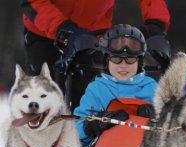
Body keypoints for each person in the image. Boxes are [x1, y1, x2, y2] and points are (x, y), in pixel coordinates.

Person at [19, 0, 170, 111]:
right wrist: (62, 28)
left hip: (93, 31)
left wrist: (155, 21)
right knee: (42, 98)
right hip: (44, 31)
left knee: (91, 99)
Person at [74, 24, 157, 147]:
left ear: (139, 62)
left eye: (130, 59)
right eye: (116, 59)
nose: (123, 65)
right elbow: (75, 129)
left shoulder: (152, 88)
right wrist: (93, 125)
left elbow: (170, 126)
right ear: (107, 60)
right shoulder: (97, 89)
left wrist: (155, 117)